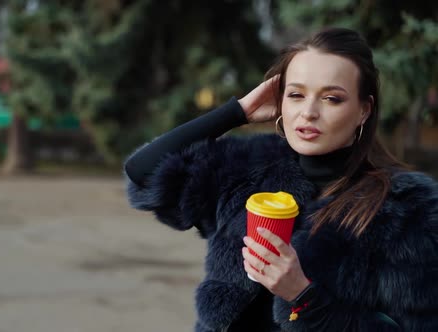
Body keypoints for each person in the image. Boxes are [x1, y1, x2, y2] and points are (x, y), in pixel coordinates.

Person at [123, 27, 438, 331]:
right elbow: (145, 174)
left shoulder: (407, 209)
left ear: (363, 111)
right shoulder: (249, 166)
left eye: (332, 99)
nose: (308, 112)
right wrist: (237, 113)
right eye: (296, 94)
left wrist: (303, 297)